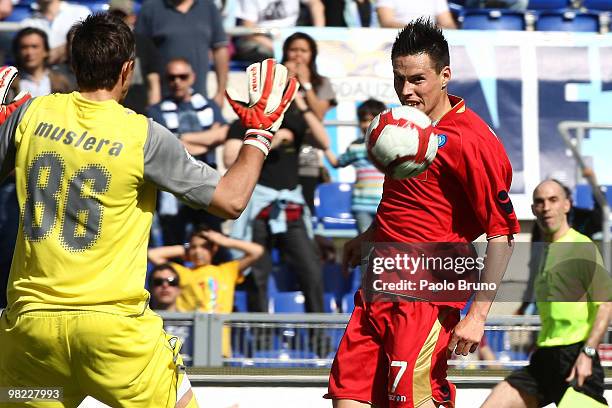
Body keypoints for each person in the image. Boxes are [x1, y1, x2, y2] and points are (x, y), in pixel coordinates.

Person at [0, 12, 297, 408]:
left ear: (72, 63)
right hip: (115, 337)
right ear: (128, 69)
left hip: (31, 333)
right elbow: (231, 199)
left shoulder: (30, 115)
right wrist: (260, 133)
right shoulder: (144, 135)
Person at [326, 18, 519, 408]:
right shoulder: (399, 126)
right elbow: (408, 199)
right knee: (347, 398)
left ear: (445, 75)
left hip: (426, 297)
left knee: (411, 401)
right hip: (378, 287)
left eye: (418, 80)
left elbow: (502, 234)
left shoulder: (472, 141)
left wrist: (478, 315)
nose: (406, 91)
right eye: (400, 80)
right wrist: (369, 237)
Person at [482, 179, 611, 408]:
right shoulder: (544, 251)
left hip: (575, 357)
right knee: (494, 404)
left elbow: (606, 305)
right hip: (544, 358)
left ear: (567, 205)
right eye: (540, 202)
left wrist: (588, 353)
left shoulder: (582, 247)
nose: (546, 207)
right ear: (533, 209)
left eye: (553, 200)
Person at [149, 225, 264, 357]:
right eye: (194, 247)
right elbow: (153, 254)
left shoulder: (227, 271)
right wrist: (186, 248)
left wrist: (224, 241)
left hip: (220, 350)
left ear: (214, 248)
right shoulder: (183, 272)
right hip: (189, 348)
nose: (198, 252)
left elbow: (257, 251)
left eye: (204, 247)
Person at [149, 57, 229, 242]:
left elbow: (224, 134)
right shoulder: (155, 111)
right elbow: (166, 147)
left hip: (208, 182)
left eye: (182, 76)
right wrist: (208, 137)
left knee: (212, 239)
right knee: (173, 240)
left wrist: (180, 138)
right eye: (172, 77)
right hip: (173, 187)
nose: (177, 82)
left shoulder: (208, 105)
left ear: (192, 78)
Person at [135, 0, 229, 107]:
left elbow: (220, 50)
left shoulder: (208, 7)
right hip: (161, 103)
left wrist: (221, 93)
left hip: (199, 101)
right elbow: (140, 53)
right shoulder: (150, 8)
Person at [323, 98, 386, 233]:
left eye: (372, 120)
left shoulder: (389, 144)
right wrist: (324, 147)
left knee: (387, 246)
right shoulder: (355, 147)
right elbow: (336, 163)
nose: (367, 124)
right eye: (364, 120)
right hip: (361, 206)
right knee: (366, 248)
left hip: (386, 206)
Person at [109, 0, 162, 114]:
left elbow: (154, 80)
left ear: (132, 17)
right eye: (114, 15)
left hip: (139, 112)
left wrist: (153, 110)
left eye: (122, 16)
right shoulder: (104, 44)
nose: (118, 20)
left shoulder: (144, 43)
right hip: (110, 112)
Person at [233, 0, 325, 62]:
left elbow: (316, 5)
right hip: (261, 38)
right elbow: (248, 29)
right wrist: (278, 47)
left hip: (290, 36)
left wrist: (318, 35)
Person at [20, 0, 91, 64]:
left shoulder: (80, 12)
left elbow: (89, 46)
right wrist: (69, 46)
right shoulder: (27, 23)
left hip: (75, 73)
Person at [11, 27, 72, 97]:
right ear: (17, 52)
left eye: (34, 47)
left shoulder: (62, 82)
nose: (29, 52)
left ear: (46, 51)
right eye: (24, 47)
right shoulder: (8, 84)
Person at [376, 0, 456, 29]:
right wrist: (420, 29)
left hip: (431, 40)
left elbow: (449, 25)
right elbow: (386, 22)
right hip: (399, 40)